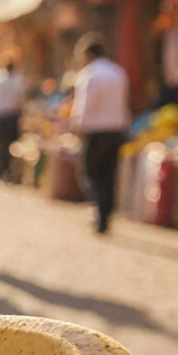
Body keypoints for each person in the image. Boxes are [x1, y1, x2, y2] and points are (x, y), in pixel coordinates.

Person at [70, 37, 130, 235]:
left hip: (96, 131)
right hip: (116, 129)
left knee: (91, 173)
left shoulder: (89, 75)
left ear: (88, 54)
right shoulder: (118, 72)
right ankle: (105, 214)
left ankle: (100, 211)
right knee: (109, 174)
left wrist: (77, 126)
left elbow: (85, 106)